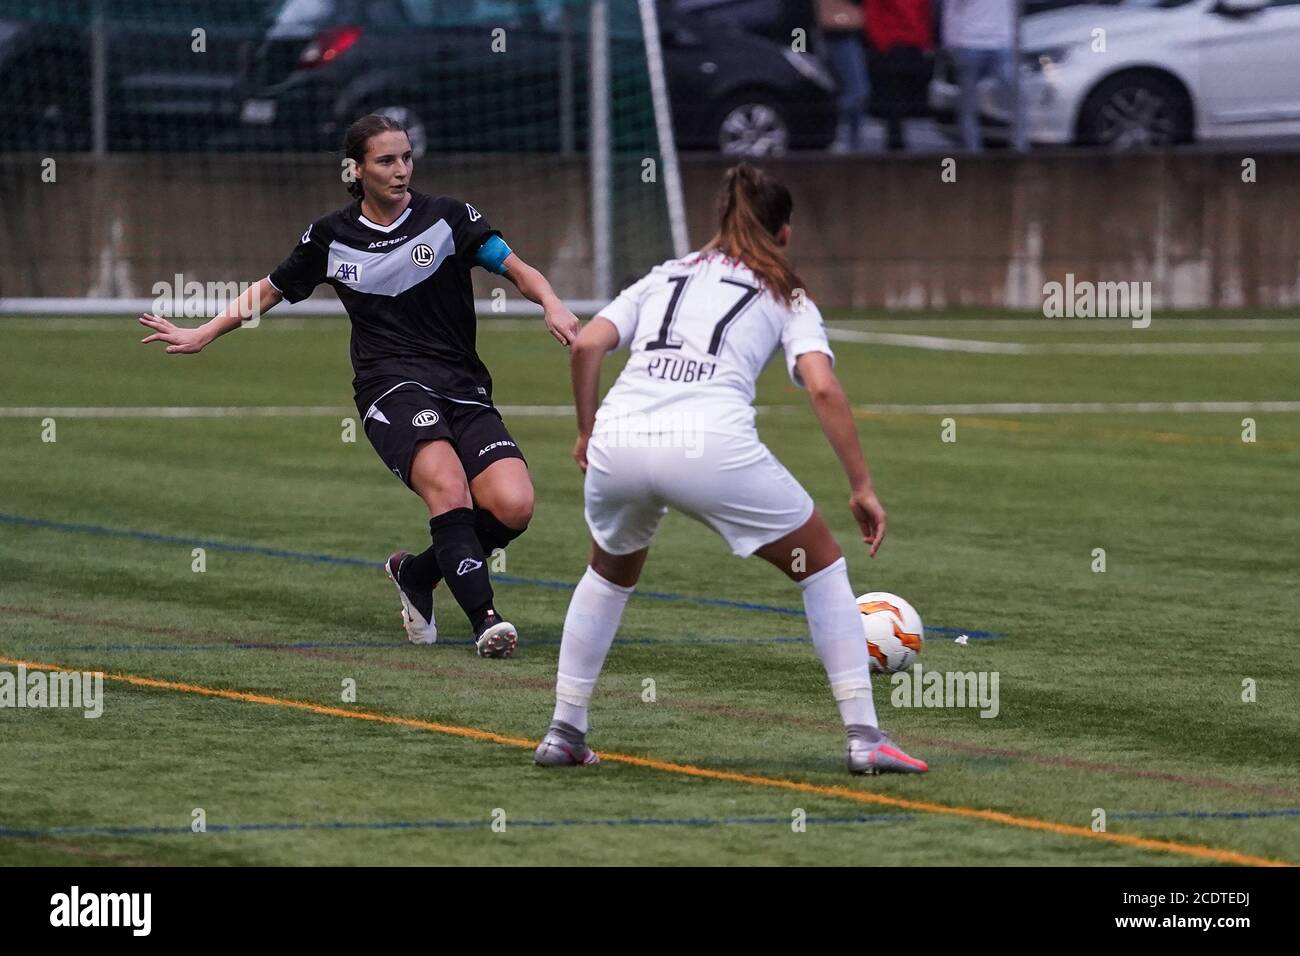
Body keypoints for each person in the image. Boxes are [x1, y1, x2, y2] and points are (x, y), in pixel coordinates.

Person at [533, 163, 928, 775]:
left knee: (609, 572)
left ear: (720, 220)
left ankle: (564, 730)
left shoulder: (664, 275)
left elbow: (587, 345)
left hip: (620, 438)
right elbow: (822, 388)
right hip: (709, 446)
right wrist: (861, 486)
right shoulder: (786, 290)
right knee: (822, 566)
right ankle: (865, 737)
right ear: (785, 233)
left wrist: (587, 431)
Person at [138, 113, 580, 659]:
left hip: (462, 384)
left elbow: (515, 267)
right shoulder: (330, 236)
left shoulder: (447, 217)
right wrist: (205, 332)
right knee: (447, 486)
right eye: (386, 161)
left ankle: (416, 575)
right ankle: (485, 618)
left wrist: (552, 303)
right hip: (389, 385)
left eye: (406, 158)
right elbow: (272, 288)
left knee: (513, 506)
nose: (401, 171)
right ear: (356, 169)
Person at [941, 0, 1016, 151]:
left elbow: (950, 12)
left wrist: (950, 44)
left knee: (969, 103)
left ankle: (974, 149)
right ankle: (975, 149)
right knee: (1013, 97)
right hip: (981, 43)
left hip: (983, 42)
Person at [864, 0, 935, 151]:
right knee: (893, 95)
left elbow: (923, 15)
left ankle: (900, 136)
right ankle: (895, 138)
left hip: (912, 45)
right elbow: (873, 14)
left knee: (907, 93)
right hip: (891, 45)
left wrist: (925, 43)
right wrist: (882, 43)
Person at [817, 0, 870, 153]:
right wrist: (855, 18)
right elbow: (827, 17)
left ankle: (854, 142)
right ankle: (829, 125)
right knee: (858, 93)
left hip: (849, 39)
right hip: (839, 40)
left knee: (855, 93)